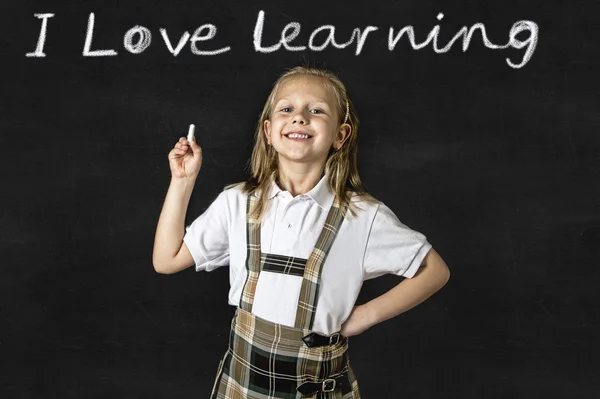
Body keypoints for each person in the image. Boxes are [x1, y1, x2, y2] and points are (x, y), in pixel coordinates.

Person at [152, 66, 450, 398]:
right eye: (287, 109)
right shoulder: (236, 202)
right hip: (242, 385)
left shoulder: (363, 216)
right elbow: (167, 260)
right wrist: (182, 181)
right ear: (268, 130)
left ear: (340, 135)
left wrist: (366, 315)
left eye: (317, 110)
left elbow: (434, 270)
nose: (299, 118)